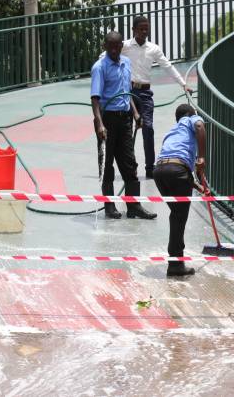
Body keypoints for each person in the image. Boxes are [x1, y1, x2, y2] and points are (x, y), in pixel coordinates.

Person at [91, 31, 157, 220]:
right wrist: (100, 124)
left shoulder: (126, 63)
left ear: (121, 46)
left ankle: (134, 205)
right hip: (107, 120)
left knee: (129, 164)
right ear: (105, 46)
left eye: (117, 46)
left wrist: (136, 113)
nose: (114, 50)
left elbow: (126, 92)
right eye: (110, 46)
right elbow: (95, 99)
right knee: (107, 166)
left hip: (125, 119)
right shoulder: (99, 67)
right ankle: (109, 206)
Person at [122, 16, 194, 179]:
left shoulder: (153, 48)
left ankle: (149, 167)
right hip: (129, 92)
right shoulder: (125, 46)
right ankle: (129, 166)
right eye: (141, 28)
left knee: (148, 128)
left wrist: (183, 84)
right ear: (134, 30)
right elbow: (105, 55)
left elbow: (167, 66)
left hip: (145, 93)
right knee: (127, 131)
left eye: (146, 28)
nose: (144, 31)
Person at [153, 103, 207, 276]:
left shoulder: (172, 131)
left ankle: (175, 260)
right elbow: (200, 126)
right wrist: (202, 158)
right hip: (176, 171)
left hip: (160, 172)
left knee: (177, 214)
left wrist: (198, 186)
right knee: (179, 216)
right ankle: (175, 264)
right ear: (190, 115)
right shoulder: (191, 119)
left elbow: (176, 165)